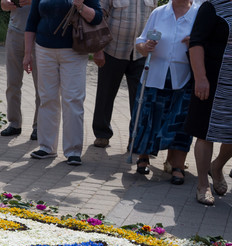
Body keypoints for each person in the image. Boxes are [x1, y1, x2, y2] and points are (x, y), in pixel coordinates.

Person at [25, 0, 103, 165]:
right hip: (44, 50)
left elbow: (97, 18)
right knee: (47, 98)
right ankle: (47, 147)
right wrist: (27, 54)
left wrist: (81, 6)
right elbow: (32, 21)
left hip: (74, 51)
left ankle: (73, 151)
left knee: (73, 99)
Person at [129, 0, 196, 182]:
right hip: (155, 75)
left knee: (179, 121)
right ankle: (143, 158)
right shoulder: (159, 12)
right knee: (147, 116)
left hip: (183, 77)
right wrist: (145, 47)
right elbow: (140, 42)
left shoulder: (197, 13)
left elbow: (206, 43)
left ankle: (178, 166)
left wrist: (195, 42)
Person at [186, 0, 232, 205]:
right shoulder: (213, 6)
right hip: (214, 81)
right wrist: (201, 77)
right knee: (205, 133)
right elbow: (196, 42)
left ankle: (217, 166)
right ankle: (203, 185)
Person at [91, 0, 154, 149]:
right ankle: (102, 134)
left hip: (140, 53)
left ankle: (135, 138)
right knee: (105, 94)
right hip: (112, 49)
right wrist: (98, 49)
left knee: (140, 98)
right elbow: (100, 18)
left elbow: (154, 19)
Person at [0, 0, 39, 139]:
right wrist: (6, 4)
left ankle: (39, 127)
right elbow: (3, 5)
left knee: (40, 85)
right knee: (12, 82)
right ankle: (14, 123)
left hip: (38, 35)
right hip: (14, 33)